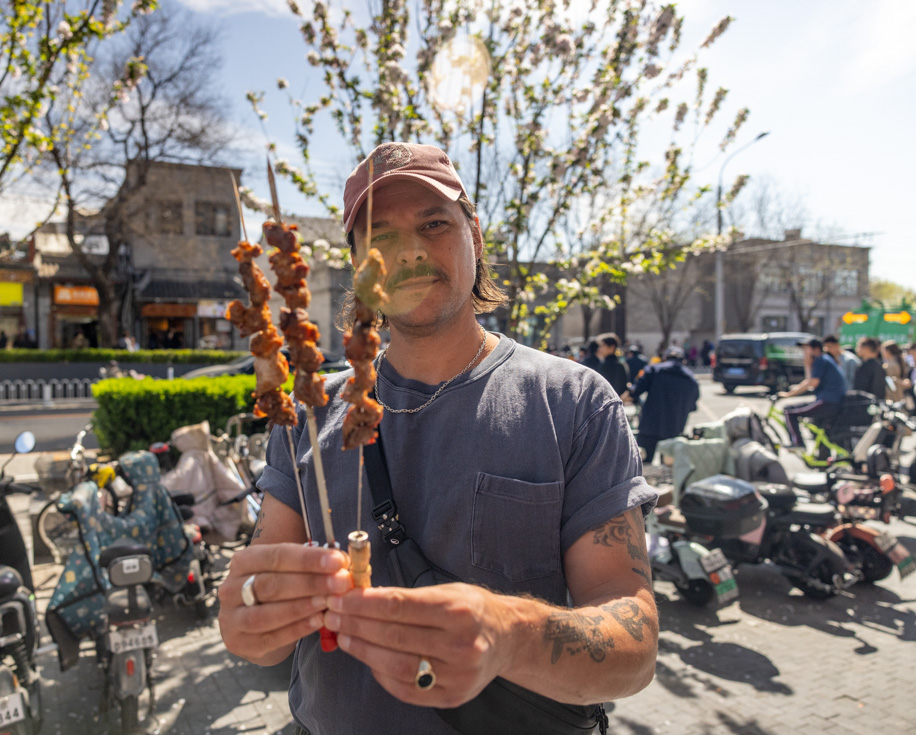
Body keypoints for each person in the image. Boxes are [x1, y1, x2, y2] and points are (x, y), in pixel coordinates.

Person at [218, 142, 658, 734]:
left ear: (473, 236)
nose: (411, 252)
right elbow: (262, 629)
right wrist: (249, 619)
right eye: (380, 239)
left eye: (434, 223)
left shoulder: (574, 403)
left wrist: (508, 635)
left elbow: (634, 646)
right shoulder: (307, 411)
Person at [626, 346, 700, 463]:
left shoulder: (653, 370)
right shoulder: (691, 379)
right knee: (668, 467)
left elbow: (635, 392)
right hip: (675, 429)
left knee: (641, 462)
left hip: (649, 426)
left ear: (664, 358)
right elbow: (692, 406)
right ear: (684, 361)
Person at [779, 338, 845, 447]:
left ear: (816, 349)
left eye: (806, 348)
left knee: (790, 413)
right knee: (794, 411)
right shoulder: (824, 359)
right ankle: (821, 455)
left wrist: (788, 395)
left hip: (828, 401)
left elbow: (812, 383)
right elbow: (809, 381)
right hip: (829, 401)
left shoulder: (821, 360)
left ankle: (798, 443)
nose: (804, 351)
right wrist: (807, 364)